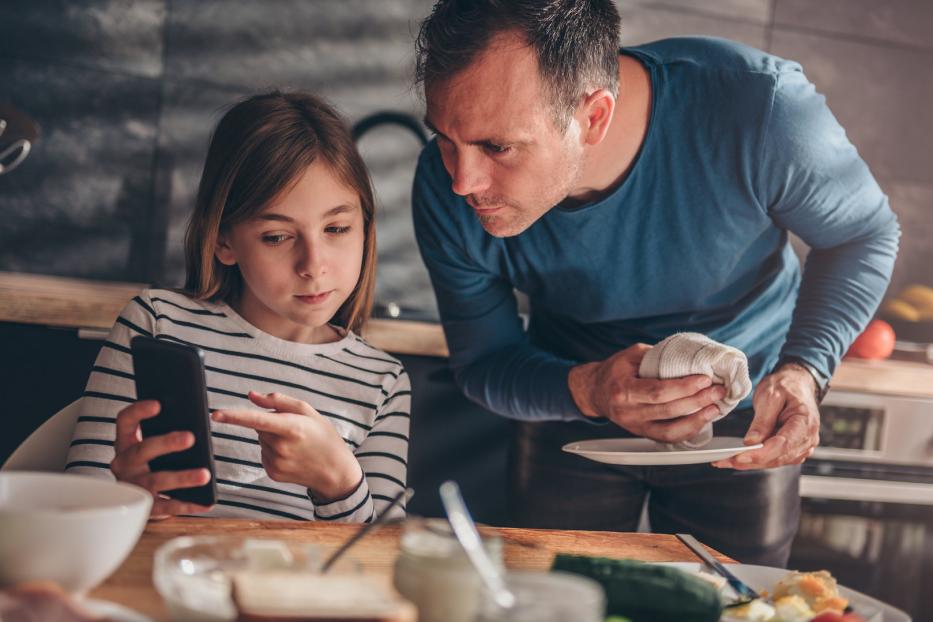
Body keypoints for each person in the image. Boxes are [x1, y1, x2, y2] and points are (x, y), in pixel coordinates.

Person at [411, 0, 899, 565]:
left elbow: (864, 235)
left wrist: (805, 369)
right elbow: (485, 361)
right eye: (446, 138)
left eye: (497, 147)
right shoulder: (440, 188)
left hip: (746, 411)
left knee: (735, 602)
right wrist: (591, 389)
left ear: (593, 116)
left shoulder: (759, 109)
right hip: (568, 400)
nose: (462, 181)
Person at [66, 91, 410, 523]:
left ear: (365, 225)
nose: (314, 265)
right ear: (223, 241)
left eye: (337, 228)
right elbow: (76, 507)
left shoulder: (383, 382)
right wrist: (128, 500)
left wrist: (341, 484)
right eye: (277, 237)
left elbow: (380, 562)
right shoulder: (156, 323)